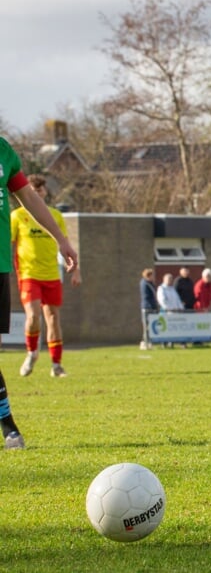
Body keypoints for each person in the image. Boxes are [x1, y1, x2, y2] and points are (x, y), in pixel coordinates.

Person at [1, 138, 79, 449]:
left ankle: (8, 427)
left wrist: (61, 239)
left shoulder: (4, 151)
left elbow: (28, 198)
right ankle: (10, 428)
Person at [12, 174, 81, 378]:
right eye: (34, 191)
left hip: (51, 274)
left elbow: (66, 243)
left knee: (53, 319)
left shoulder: (55, 216)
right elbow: (12, 244)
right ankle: (32, 353)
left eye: (41, 190)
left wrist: (76, 270)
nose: (38, 194)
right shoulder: (17, 216)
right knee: (33, 317)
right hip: (28, 273)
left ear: (45, 192)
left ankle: (56, 365)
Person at [139, 268, 158, 349]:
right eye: (152, 275)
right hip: (147, 307)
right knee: (146, 326)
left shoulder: (151, 283)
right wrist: (151, 306)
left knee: (150, 326)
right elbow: (146, 297)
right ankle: (145, 342)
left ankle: (149, 342)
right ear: (148, 276)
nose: (154, 277)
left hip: (152, 306)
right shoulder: (144, 284)